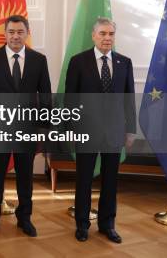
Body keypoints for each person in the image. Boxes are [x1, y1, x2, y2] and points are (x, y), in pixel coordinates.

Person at [0, 15, 51, 237]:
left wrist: (43, 127)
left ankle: (24, 218)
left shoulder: (39, 60)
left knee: (25, 175)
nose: (15, 36)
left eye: (20, 32)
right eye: (11, 32)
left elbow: (45, 96)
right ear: (5, 34)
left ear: (26, 33)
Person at [65, 17, 136, 244]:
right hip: (86, 131)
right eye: (103, 34)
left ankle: (107, 225)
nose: (107, 38)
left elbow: (129, 100)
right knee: (83, 180)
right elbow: (70, 100)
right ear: (94, 36)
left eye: (111, 34)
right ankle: (82, 225)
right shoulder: (78, 62)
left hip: (114, 132)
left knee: (110, 181)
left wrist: (131, 130)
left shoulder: (125, 63)